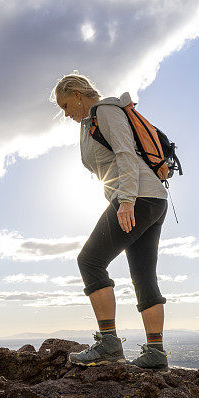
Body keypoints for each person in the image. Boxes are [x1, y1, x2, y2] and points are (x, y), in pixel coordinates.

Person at [51, 73, 169, 370]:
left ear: (78, 94)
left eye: (65, 105)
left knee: (89, 261)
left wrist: (127, 200)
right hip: (151, 199)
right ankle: (156, 354)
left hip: (137, 197)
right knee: (143, 276)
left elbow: (126, 153)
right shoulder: (88, 124)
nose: (65, 113)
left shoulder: (105, 111)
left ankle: (108, 344)